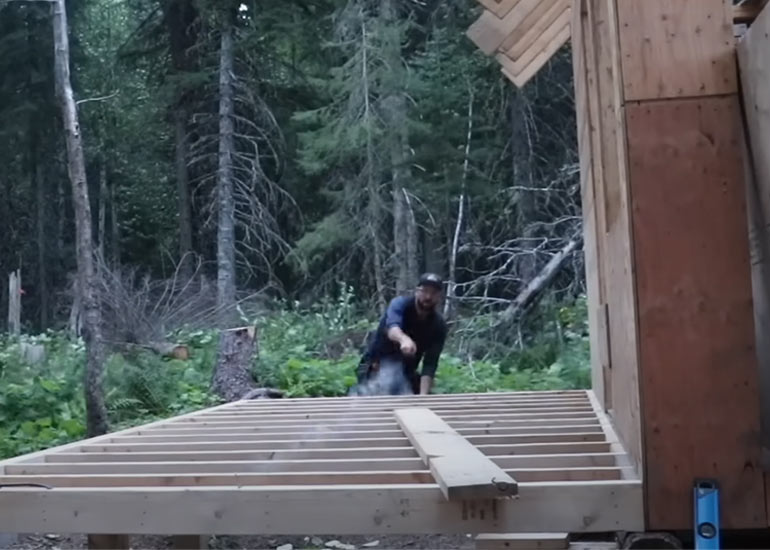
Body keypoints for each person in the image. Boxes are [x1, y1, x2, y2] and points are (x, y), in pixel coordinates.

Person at [355, 273, 448, 395]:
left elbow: (430, 364)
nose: (428, 297)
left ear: (439, 297)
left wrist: (423, 397)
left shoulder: (438, 325)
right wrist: (403, 339)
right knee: (378, 392)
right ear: (417, 291)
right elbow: (392, 329)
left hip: (406, 372)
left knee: (415, 393)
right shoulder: (400, 305)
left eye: (433, 293)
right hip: (376, 366)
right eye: (425, 291)